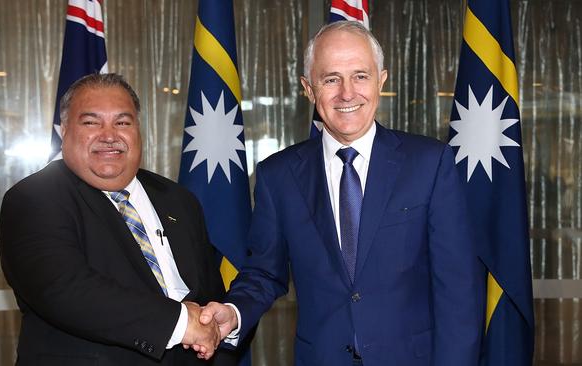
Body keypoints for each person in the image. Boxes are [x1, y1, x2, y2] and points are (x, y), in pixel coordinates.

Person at [200, 21, 485, 365]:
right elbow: (264, 271)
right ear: (308, 88)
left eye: (360, 76)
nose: (347, 93)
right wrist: (233, 312)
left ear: (381, 81)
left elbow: (458, 289)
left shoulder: (430, 163)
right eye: (331, 79)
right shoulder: (278, 176)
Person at [0, 73, 234, 365]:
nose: (109, 135)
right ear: (65, 131)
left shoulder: (178, 198)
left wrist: (218, 324)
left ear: (138, 130)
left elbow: (211, 291)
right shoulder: (34, 198)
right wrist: (182, 322)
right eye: (91, 122)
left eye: (122, 122)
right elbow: (65, 289)